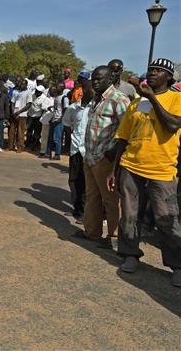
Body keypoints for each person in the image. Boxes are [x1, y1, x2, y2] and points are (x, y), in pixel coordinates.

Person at [107, 58, 181, 286]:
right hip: (131, 165)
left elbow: (173, 125)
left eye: (158, 71)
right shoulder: (135, 104)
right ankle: (130, 254)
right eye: (150, 70)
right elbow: (123, 137)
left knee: (166, 218)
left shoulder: (177, 99)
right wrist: (114, 170)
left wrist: (152, 98)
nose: (152, 73)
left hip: (162, 168)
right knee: (129, 214)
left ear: (169, 77)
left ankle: (177, 264)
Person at [72, 66, 129, 248]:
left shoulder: (118, 99)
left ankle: (114, 237)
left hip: (105, 158)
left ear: (109, 80)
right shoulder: (97, 98)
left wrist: (111, 154)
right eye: (94, 79)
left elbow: (126, 129)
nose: (95, 82)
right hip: (90, 156)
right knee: (92, 196)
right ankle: (92, 232)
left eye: (99, 79)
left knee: (111, 199)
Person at [62, 78, 93, 223]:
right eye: (84, 89)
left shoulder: (96, 108)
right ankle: (77, 209)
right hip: (76, 149)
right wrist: (71, 137)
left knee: (87, 183)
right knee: (74, 181)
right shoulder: (73, 108)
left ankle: (86, 212)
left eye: (89, 89)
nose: (85, 92)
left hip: (90, 151)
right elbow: (66, 123)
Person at [9, 79, 32, 152]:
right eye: (20, 84)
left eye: (23, 84)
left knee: (20, 131)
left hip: (22, 114)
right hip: (14, 114)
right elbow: (12, 102)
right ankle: (10, 146)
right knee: (12, 131)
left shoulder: (28, 92)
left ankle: (20, 147)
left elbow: (29, 104)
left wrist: (19, 112)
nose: (21, 85)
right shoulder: (16, 91)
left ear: (26, 85)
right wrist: (13, 112)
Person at [46, 83, 67, 160]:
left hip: (59, 120)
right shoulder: (57, 97)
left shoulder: (64, 98)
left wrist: (61, 118)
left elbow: (65, 109)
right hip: (54, 119)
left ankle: (57, 154)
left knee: (57, 138)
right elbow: (58, 107)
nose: (56, 88)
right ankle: (48, 153)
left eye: (58, 87)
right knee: (50, 137)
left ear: (62, 88)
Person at [34, 85, 54, 158]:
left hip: (54, 120)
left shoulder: (57, 99)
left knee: (52, 137)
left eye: (53, 90)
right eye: (50, 90)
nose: (52, 91)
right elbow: (43, 107)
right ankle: (43, 151)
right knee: (44, 136)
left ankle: (50, 152)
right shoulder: (46, 99)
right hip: (46, 119)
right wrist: (49, 107)